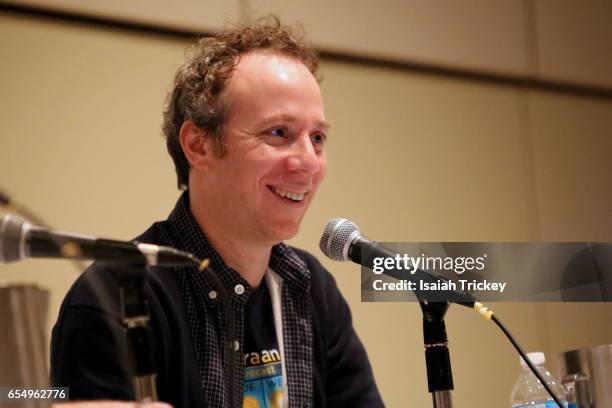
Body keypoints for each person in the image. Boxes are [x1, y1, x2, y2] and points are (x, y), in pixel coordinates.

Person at [51, 17, 383, 408]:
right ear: (199, 145)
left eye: (318, 138)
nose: (309, 162)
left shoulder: (311, 290)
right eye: (278, 132)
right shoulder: (115, 295)